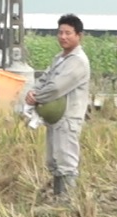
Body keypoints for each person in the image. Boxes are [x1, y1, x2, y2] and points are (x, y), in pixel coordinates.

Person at [25, 13, 91, 200]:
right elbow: (45, 79)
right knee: (54, 159)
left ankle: (67, 200)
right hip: (55, 118)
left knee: (66, 159)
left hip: (68, 118)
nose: (63, 37)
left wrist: (36, 97)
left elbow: (55, 87)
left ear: (79, 36)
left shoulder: (77, 61)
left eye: (68, 33)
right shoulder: (60, 58)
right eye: (60, 32)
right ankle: (57, 196)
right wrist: (32, 92)